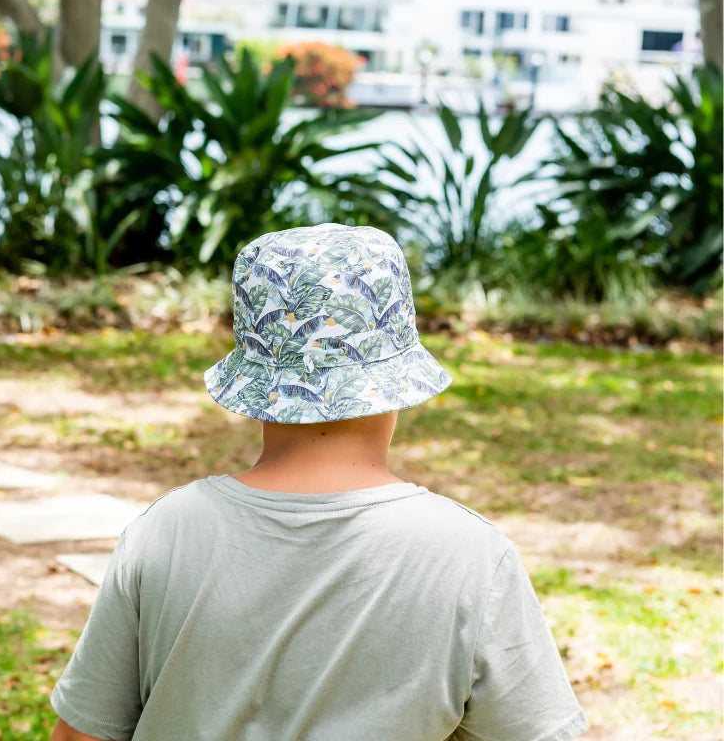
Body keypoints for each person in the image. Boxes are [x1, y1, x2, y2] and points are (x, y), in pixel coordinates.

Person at [49, 224, 587, 741]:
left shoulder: (164, 531)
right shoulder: (470, 555)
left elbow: (81, 733)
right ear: (395, 382)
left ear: (255, 378)